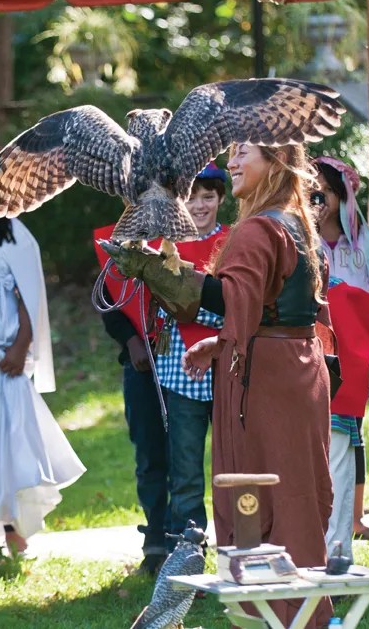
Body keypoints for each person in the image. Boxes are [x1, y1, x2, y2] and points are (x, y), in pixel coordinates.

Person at [101, 142, 333, 628]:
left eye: (244, 152)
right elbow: (289, 308)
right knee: (298, 494)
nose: (232, 161)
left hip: (267, 379)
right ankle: (308, 613)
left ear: (275, 161)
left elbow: (232, 299)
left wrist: (155, 266)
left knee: (253, 498)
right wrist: (221, 343)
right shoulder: (297, 222)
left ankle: (270, 616)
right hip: (301, 367)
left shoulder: (255, 227)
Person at [0, 141, 86, 554]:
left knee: (6, 447)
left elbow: (29, 295)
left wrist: (21, 346)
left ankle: (11, 526)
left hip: (0, 359)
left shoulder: (12, 233)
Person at [311, 156, 369, 555]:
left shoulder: (366, 243)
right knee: (308, 449)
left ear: (342, 194)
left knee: (344, 447)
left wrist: (355, 335)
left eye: (324, 190)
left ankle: (339, 543)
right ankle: (307, 542)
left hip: (352, 362)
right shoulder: (297, 239)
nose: (317, 197)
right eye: (310, 188)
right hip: (304, 360)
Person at [153, 164, 228, 543]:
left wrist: (193, 305)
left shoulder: (232, 241)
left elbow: (240, 299)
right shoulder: (165, 246)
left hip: (227, 366)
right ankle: (188, 553)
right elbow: (156, 302)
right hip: (179, 369)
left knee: (234, 464)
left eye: (208, 197)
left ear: (221, 199)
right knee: (185, 470)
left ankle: (239, 547)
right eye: (191, 197)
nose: (199, 206)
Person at [94, 226, 170, 575]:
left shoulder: (184, 233)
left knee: (185, 457)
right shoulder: (117, 238)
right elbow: (108, 302)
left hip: (187, 361)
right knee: (150, 453)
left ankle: (188, 539)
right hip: (141, 364)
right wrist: (130, 340)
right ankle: (156, 542)